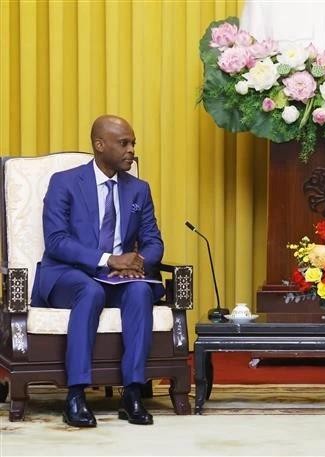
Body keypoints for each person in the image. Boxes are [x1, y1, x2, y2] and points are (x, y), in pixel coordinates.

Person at [31, 115, 165, 427]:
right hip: (68, 273)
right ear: (99, 145)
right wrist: (108, 259)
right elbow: (56, 242)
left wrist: (137, 262)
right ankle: (76, 394)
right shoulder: (64, 182)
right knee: (89, 290)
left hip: (119, 277)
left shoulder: (139, 190)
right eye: (124, 143)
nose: (131, 150)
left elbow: (153, 242)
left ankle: (132, 392)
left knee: (141, 290)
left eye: (133, 143)